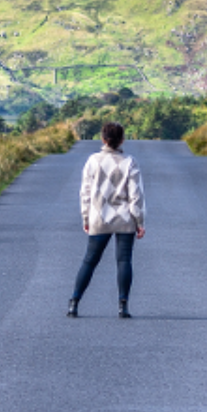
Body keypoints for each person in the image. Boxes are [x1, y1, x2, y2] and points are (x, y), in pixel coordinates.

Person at [69, 121, 145, 318]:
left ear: (103, 139)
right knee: (124, 260)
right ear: (122, 140)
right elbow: (136, 195)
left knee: (90, 260)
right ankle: (123, 305)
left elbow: (85, 193)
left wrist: (86, 217)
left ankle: (74, 302)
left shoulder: (93, 161)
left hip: (98, 216)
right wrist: (139, 221)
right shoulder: (130, 162)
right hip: (124, 218)